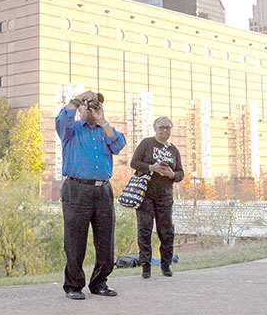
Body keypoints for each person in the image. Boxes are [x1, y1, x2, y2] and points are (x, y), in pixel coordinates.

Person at [55, 90, 126, 300]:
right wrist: (77, 99)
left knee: (106, 239)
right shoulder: (71, 129)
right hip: (77, 188)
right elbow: (61, 119)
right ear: (80, 108)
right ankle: (74, 285)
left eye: (96, 105)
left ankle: (100, 282)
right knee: (75, 240)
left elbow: (118, 145)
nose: (92, 108)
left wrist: (102, 120)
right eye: (88, 105)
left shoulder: (105, 130)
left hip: (103, 189)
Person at [130, 117, 184, 278]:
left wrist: (172, 174)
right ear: (155, 128)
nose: (165, 130)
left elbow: (181, 173)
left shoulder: (173, 150)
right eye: (162, 127)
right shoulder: (147, 143)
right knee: (145, 230)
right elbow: (134, 163)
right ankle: (145, 266)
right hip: (145, 194)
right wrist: (150, 167)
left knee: (166, 231)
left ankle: (166, 264)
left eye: (168, 128)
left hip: (165, 196)